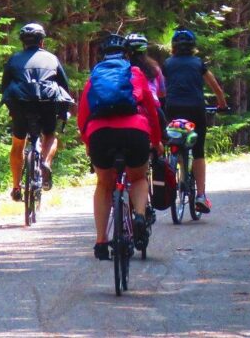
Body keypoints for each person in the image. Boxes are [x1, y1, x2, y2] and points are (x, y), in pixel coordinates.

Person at [78, 33, 162, 260]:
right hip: (135, 131)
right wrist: (156, 141)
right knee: (138, 178)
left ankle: (101, 241)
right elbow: (152, 111)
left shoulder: (94, 76)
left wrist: (88, 142)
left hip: (100, 134)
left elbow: (83, 114)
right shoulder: (135, 73)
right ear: (126, 55)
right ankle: (140, 216)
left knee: (104, 185)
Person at [0, 23, 74, 200]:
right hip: (47, 101)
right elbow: (64, 86)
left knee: (18, 144)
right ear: (42, 42)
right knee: (49, 134)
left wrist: (12, 109)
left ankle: (16, 187)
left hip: (20, 103)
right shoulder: (52, 58)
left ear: (23, 42)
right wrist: (64, 110)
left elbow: (4, 87)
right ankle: (45, 163)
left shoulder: (14, 59)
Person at [161, 28, 228, 214]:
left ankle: (177, 163)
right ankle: (200, 195)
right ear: (193, 47)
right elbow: (215, 86)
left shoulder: (167, 64)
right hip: (195, 108)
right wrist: (221, 104)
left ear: (173, 47)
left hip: (172, 108)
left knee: (174, 141)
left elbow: (160, 87)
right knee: (198, 152)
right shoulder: (199, 63)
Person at [126, 33, 166, 104]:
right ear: (144, 50)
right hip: (152, 103)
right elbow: (162, 91)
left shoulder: (122, 68)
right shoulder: (154, 67)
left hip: (129, 104)